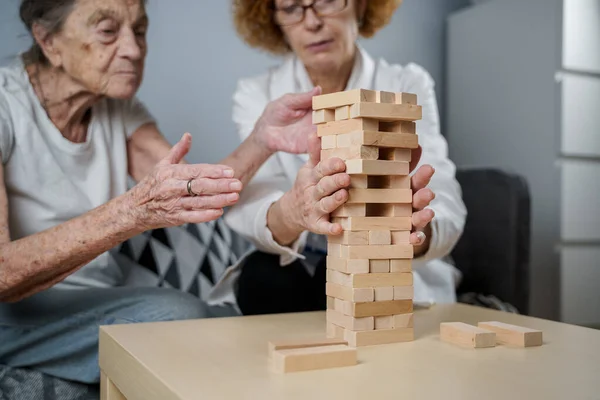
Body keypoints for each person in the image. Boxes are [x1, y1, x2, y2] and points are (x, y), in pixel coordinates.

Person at [0, 0, 319, 384]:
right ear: (48, 40)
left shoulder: (118, 108)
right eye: (107, 31)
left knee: (231, 327)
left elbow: (195, 191)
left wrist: (264, 137)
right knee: (179, 318)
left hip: (91, 301)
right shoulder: (6, 105)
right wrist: (133, 211)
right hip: (13, 315)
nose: (133, 49)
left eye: (139, 30)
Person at [220, 0, 467, 314]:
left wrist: (412, 231)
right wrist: (293, 211)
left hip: (387, 269)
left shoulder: (406, 83)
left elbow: (443, 195)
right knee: (264, 276)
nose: (312, 21)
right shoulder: (256, 93)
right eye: (291, 7)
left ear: (361, 7)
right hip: (293, 272)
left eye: (326, 1)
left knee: (368, 280)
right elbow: (256, 203)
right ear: (273, 19)